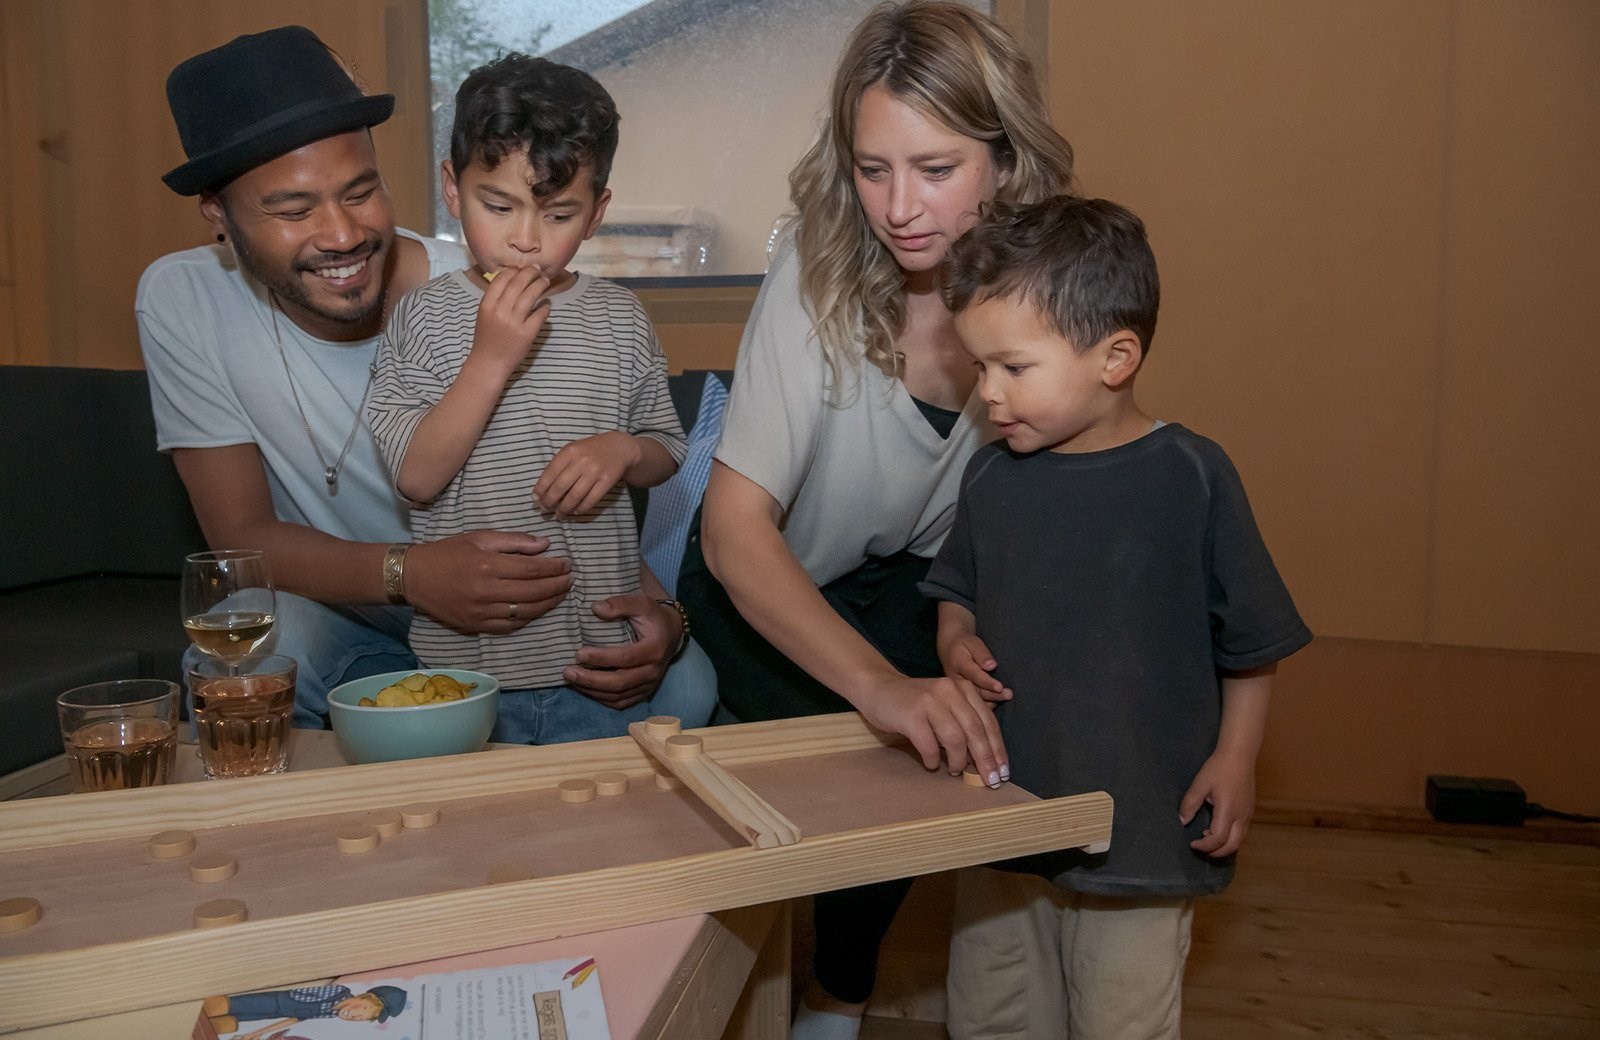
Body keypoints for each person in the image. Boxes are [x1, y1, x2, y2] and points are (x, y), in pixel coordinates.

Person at [678, 2, 1075, 1033]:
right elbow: (731, 532)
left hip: (910, 587)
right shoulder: (812, 270)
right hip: (759, 582)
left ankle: (836, 993)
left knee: (952, 741)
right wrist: (879, 687)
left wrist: (951, 637)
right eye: (872, 167)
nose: (899, 207)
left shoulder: (1050, 290)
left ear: (1003, 156)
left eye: (935, 168)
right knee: (863, 752)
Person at [138, 26, 690, 729]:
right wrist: (414, 575)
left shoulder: (490, 288)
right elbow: (240, 535)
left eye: (361, 192)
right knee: (250, 649)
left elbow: (574, 484)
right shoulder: (182, 300)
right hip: (355, 610)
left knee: (684, 683)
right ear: (219, 213)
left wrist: (668, 617)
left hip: (524, 616)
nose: (341, 235)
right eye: (293, 209)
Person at [927, 196, 1313, 1039]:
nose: (987, 393)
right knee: (990, 1015)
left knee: (1120, 1021)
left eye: (1013, 368)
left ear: (1116, 356)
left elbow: (1251, 645)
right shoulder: (992, 478)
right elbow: (955, 589)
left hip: (1142, 826)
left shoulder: (1194, 477)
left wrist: (1237, 758)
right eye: (977, 366)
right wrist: (956, 639)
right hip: (1004, 814)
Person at [364, 54, 714, 743]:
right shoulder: (422, 318)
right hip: (466, 671)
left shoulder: (620, 318)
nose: (525, 239)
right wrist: (491, 359)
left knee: (598, 835)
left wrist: (622, 450)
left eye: (558, 213)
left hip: (594, 661)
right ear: (452, 189)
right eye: (498, 206)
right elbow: (416, 476)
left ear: (596, 214)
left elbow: (667, 451)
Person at [202, 983, 405, 1037]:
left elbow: (292, 1020)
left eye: (360, 1019)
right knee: (234, 1005)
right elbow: (295, 996)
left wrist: (254, 1033)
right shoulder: (337, 991)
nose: (354, 1017)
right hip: (273, 1001)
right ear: (364, 998)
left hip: (275, 1012)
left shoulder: (329, 1013)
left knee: (235, 1021)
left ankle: (210, 1026)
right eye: (362, 1010)